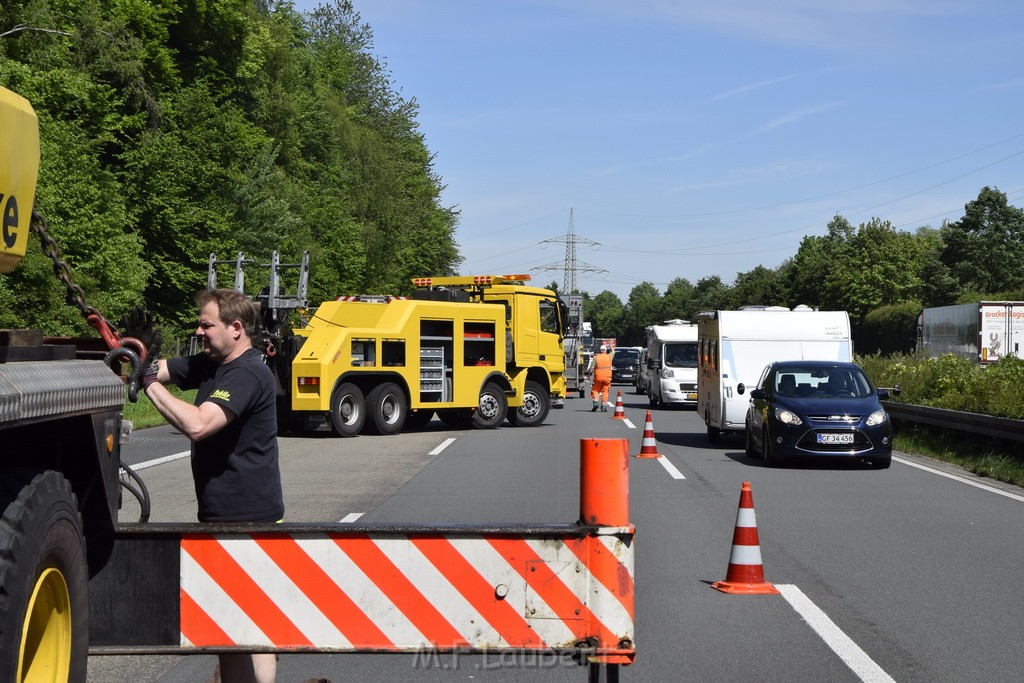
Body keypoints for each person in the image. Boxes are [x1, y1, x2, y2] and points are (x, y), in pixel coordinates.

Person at [139, 288, 283, 683]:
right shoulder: (212, 363)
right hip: (222, 511)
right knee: (236, 625)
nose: (198, 331)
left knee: (246, 625)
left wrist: (146, 381)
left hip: (246, 516)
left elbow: (199, 424)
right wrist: (136, 353)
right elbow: (159, 369)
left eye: (207, 324)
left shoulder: (247, 372)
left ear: (236, 328)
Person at [586, 345, 613, 411]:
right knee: (605, 392)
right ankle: (603, 406)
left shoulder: (596, 358)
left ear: (600, 350)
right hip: (607, 377)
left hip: (598, 377)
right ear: (606, 350)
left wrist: (589, 375)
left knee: (596, 390)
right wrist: (611, 345)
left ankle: (596, 402)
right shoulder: (609, 356)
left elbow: (592, 368)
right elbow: (613, 351)